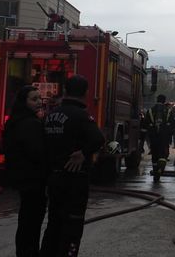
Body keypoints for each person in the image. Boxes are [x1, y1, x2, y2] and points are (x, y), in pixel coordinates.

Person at [40, 75, 105, 257]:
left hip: (53, 178)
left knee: (54, 223)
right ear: (85, 93)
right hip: (74, 179)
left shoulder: (50, 115)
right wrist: (83, 153)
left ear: (66, 91)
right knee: (73, 226)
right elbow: (98, 139)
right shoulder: (81, 116)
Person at [3, 85, 47, 257]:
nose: (38, 102)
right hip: (33, 180)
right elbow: (37, 152)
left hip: (22, 178)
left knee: (26, 220)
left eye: (39, 99)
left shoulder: (15, 121)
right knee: (32, 222)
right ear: (24, 101)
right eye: (34, 99)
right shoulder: (30, 124)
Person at [142, 94, 175, 182]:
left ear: (157, 100)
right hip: (164, 138)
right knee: (163, 155)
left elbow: (145, 123)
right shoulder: (168, 111)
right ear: (164, 101)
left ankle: (155, 171)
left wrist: (148, 133)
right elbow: (173, 124)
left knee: (154, 155)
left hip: (153, 138)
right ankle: (160, 170)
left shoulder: (150, 111)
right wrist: (169, 133)